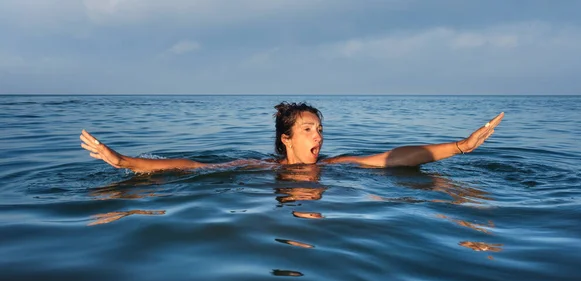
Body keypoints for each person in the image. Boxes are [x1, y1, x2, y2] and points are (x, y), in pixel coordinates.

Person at [80, 102, 504, 173]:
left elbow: (393, 157)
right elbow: (193, 167)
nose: (317, 135)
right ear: (286, 139)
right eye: (307, 129)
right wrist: (123, 162)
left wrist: (460, 146)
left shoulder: (336, 167)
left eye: (319, 129)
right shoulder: (262, 169)